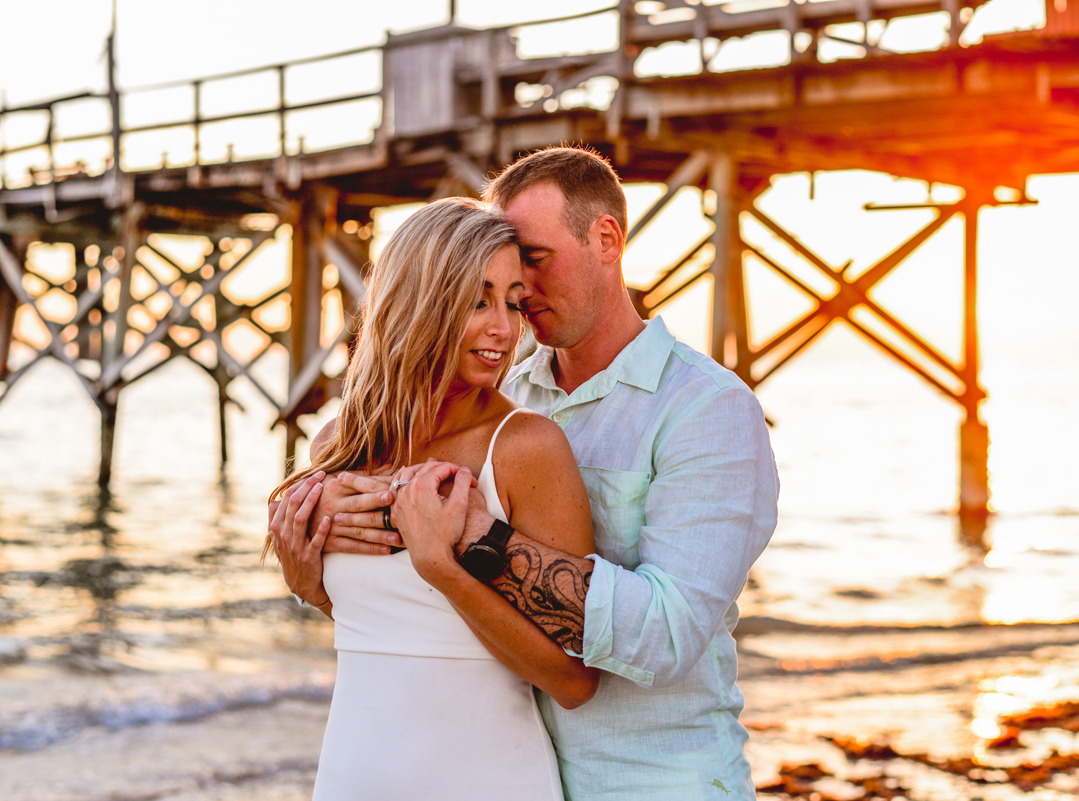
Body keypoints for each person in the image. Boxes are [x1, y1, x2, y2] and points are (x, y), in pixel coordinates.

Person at [288, 146, 779, 800]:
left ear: (607, 237)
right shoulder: (504, 389)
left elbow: (666, 634)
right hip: (505, 762)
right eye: (492, 287)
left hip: (651, 782)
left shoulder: (707, 410)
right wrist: (308, 555)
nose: (514, 309)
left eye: (533, 264)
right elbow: (409, 617)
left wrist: (475, 542)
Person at [266, 197, 598, 800]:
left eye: (513, 301)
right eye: (478, 301)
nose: (505, 327)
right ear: (421, 300)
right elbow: (385, 627)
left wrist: (442, 568)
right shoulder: (339, 445)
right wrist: (308, 584)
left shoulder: (524, 447)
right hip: (354, 774)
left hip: (486, 779)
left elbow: (574, 680)